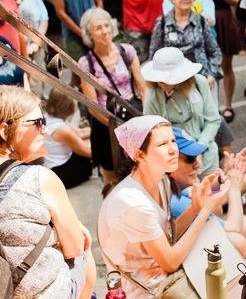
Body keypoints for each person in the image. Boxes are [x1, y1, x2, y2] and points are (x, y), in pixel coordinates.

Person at [0, 85, 97, 299]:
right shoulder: (41, 178)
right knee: (85, 249)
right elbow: (74, 248)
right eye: (37, 123)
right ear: (4, 131)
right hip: (36, 293)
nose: (44, 130)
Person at [97, 115, 229, 298]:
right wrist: (205, 210)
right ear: (139, 154)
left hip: (165, 278)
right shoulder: (131, 202)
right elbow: (170, 262)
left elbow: (169, 236)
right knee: (230, 265)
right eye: (162, 144)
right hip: (150, 291)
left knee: (234, 248)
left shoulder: (162, 181)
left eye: (173, 141)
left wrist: (196, 207)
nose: (173, 150)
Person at [78, 7, 147, 186]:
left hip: (132, 114)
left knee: (141, 167)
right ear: (89, 34)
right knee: (112, 177)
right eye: (98, 28)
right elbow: (93, 107)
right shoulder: (86, 63)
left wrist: (146, 118)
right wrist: (115, 126)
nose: (105, 31)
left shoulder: (127, 51)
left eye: (107, 26)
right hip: (105, 123)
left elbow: (142, 87)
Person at [168, 129, 246, 256]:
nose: (198, 164)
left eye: (197, 157)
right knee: (239, 238)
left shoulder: (176, 187)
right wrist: (234, 189)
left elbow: (215, 208)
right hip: (183, 259)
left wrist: (220, 181)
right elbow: (233, 228)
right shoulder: (176, 201)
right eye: (190, 159)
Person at [141, 48, 220, 176]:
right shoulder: (153, 95)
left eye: (166, 79)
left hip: (207, 155)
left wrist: (200, 147)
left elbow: (213, 119)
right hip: (177, 163)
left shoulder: (199, 83)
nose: (161, 83)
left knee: (214, 192)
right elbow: (152, 132)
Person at [197, 0, 241, 118]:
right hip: (206, 22)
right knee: (206, 67)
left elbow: (235, 1)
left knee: (227, 65)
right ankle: (209, 107)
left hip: (224, 19)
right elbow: (196, 0)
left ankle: (228, 105)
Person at [150, 0, 221, 84]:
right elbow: (154, 55)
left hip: (202, 80)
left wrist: (211, 76)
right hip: (172, 84)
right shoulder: (162, 23)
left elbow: (215, 52)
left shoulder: (200, 21)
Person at [42, 88, 93, 189]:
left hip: (55, 165)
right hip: (60, 172)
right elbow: (88, 152)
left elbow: (80, 132)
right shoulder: (61, 129)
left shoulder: (50, 117)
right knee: (92, 155)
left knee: (88, 141)